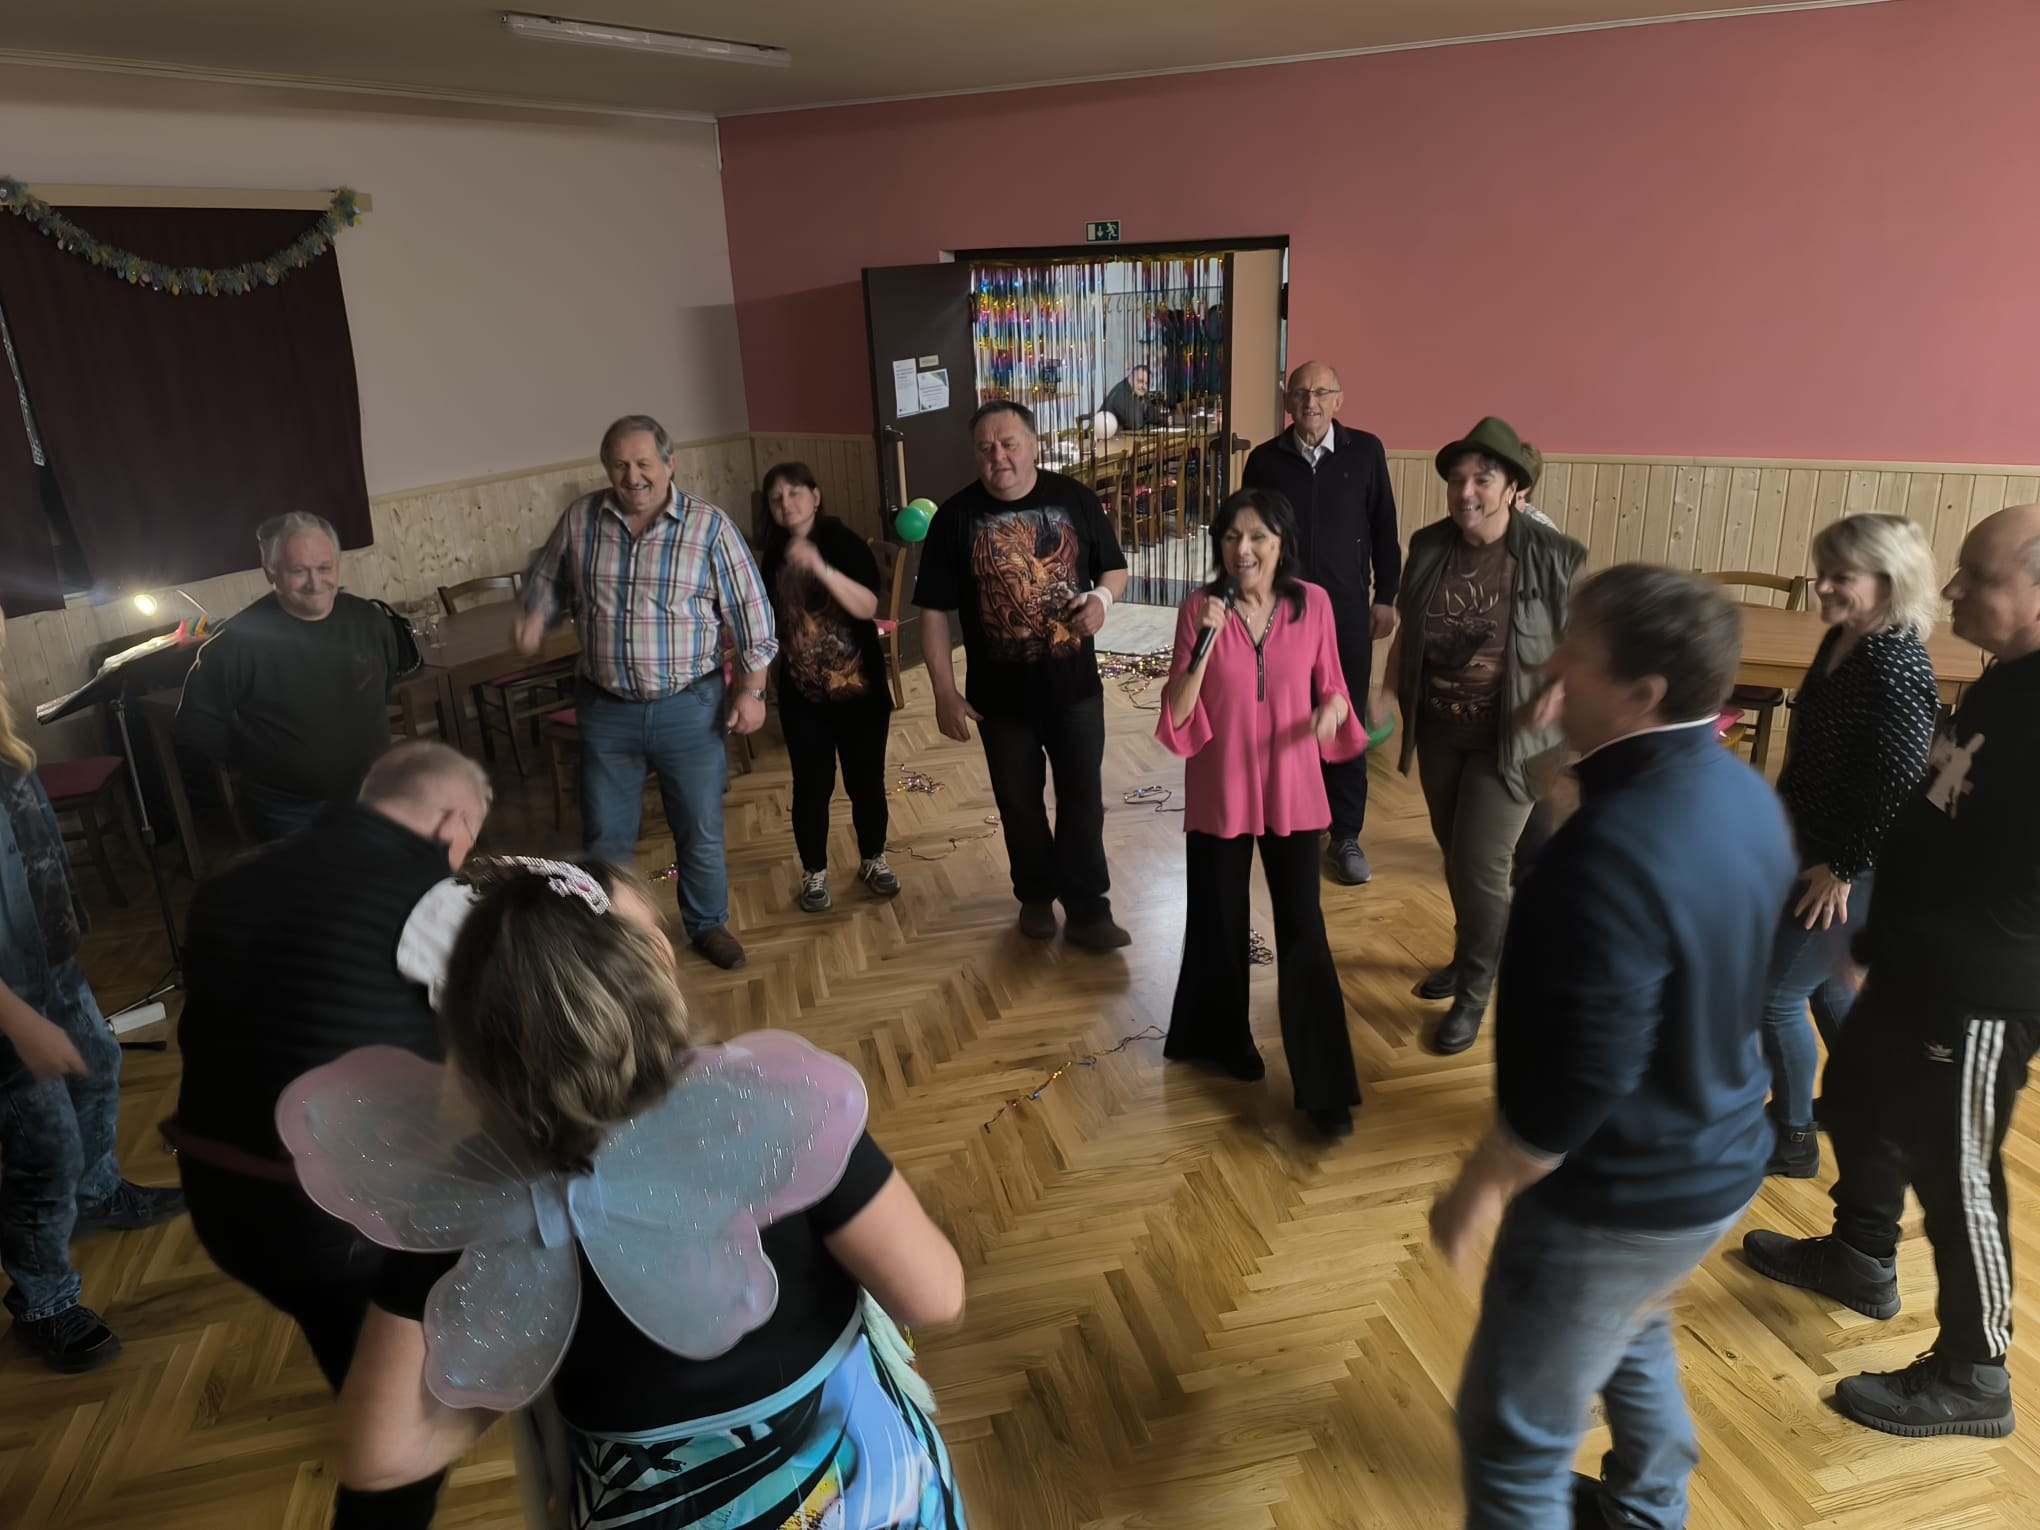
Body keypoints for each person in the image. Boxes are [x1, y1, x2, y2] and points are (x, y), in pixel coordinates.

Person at [306, 859, 969, 1530]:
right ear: (646, 970)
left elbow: (380, 1457)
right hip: (856, 1496)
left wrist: (512, 1374)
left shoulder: (468, 1197)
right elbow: (933, 1295)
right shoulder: (768, 1110)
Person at [1432, 566, 1794, 1530]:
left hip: (1618, 1198)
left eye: (1576, 654)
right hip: (1718, 1161)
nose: (1551, 665)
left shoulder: (1606, 852)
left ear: (1643, 694)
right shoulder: (1743, 792)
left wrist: (1482, 1184)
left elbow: (1585, 1075)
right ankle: (1649, 1505)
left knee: (1513, 1446)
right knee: (1632, 1320)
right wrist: (1571, 792)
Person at [1742, 503, 2040, 1440]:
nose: (1951, 588)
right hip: (1916, 956)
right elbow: (1935, 805)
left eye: (1978, 575)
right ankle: (1859, 1255)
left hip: (1984, 988)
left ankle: (1975, 1371)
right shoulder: (2001, 684)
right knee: (1862, 1103)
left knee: (1958, 1171)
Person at [165, 741, 492, 1392]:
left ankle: (363, 1388)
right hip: (342, 1215)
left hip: (215, 1194)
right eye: (468, 841)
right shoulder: (434, 900)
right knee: (399, 1386)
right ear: (451, 821)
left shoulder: (229, 882)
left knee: (339, 1330)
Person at [513, 414, 777, 971]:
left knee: (699, 828)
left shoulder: (709, 527)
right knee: (605, 835)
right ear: (606, 467)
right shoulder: (581, 520)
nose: (632, 477)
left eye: (643, 464)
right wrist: (537, 614)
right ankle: (613, 934)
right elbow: (547, 580)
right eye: (619, 465)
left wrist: (752, 690)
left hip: (690, 706)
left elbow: (753, 614)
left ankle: (707, 924)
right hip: (606, 708)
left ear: (669, 464)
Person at [1, 605, 184, 1373]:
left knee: (100, 1067)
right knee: (42, 1146)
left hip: (48, 966)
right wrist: (19, 1022)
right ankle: (42, 1301)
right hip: (6, 1002)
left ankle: (97, 1194)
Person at [1156, 488, 1368, 1139]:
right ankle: (1223, 1039)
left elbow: (1334, 687)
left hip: (1293, 786)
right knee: (1218, 919)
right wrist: (1205, 642)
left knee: (1303, 927)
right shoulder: (1198, 609)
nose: (1242, 550)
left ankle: (1324, 1086)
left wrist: (1332, 711)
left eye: (1257, 538)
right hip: (1220, 786)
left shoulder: (1314, 604)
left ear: (1281, 545)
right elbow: (1179, 710)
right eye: (1230, 537)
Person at [1370, 417, 1586, 1055]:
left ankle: (1475, 991)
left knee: (1482, 864)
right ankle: (1472, 955)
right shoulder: (1429, 545)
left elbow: (1590, 638)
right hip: (1440, 729)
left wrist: (1564, 689)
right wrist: (1387, 690)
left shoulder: (1554, 554)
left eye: (1482, 480)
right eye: (1457, 480)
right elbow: (1410, 632)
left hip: (1515, 738)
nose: (1466, 492)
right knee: (1455, 857)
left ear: (1513, 487)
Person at [1755, 513, 1940, 1179]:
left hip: (1851, 860)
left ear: (1890, 582)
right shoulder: (1845, 637)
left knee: (1774, 997)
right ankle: (1874, 1101)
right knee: (1825, 983)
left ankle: (1793, 1138)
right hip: (1812, 842)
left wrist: (1843, 868)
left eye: (1842, 576)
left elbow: (1901, 785)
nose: (1824, 587)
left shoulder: (1895, 663)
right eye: (1822, 572)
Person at [914, 400, 1131, 950]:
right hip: (999, 699)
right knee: (1018, 803)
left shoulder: (1075, 499)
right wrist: (943, 691)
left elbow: (1113, 567)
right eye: (986, 448)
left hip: (1075, 691)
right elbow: (934, 611)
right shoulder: (954, 518)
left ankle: (1089, 909)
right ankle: (1035, 895)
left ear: (1033, 445)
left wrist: (1102, 600)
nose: (999, 457)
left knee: (1082, 799)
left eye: (1009, 443)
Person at [1241, 361, 1400, 886]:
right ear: (1288, 401)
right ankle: (1299, 819)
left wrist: (1386, 596)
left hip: (1347, 610)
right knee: (1287, 715)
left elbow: (1384, 529)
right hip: (1279, 613)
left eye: (1321, 392)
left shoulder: (1366, 452)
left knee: (1344, 715)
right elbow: (1247, 533)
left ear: (1338, 400)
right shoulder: (1264, 460)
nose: (1311, 402)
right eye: (1301, 392)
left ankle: (1346, 833)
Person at [176, 511, 402, 841]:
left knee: (383, 874)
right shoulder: (236, 642)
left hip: (374, 795)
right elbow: (195, 726)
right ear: (271, 572)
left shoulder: (369, 619)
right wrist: (260, 757)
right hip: (289, 813)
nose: (315, 582)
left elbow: (384, 686)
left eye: (324, 568)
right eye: (299, 571)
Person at [757, 461, 899, 913]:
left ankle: (873, 859)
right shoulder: (773, 553)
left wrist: (820, 567)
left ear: (816, 497)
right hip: (803, 696)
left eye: (794, 493)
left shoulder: (844, 543)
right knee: (810, 787)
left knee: (866, 782)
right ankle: (814, 871)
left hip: (860, 691)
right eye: (776, 498)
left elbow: (868, 606)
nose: (786, 504)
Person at [1101, 364, 1158, 432]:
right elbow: (1135, 424)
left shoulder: (1139, 391)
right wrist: (1146, 417)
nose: (1144, 387)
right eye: (1140, 381)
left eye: (1147, 383)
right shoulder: (1121, 393)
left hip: (1120, 436)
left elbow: (1153, 415)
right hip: (1101, 436)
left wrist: (1164, 419)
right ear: (1130, 378)